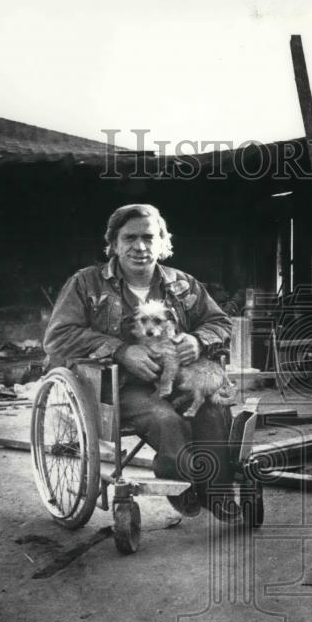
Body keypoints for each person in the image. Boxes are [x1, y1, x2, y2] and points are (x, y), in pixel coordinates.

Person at [43, 203, 237, 519]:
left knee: (214, 410)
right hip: (119, 386)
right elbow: (58, 336)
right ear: (114, 244)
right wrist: (120, 350)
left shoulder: (183, 284)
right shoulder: (86, 284)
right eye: (129, 238)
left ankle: (217, 493)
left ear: (162, 243)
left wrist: (197, 339)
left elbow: (220, 322)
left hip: (175, 376)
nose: (140, 246)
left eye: (149, 237)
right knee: (166, 420)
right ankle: (179, 480)